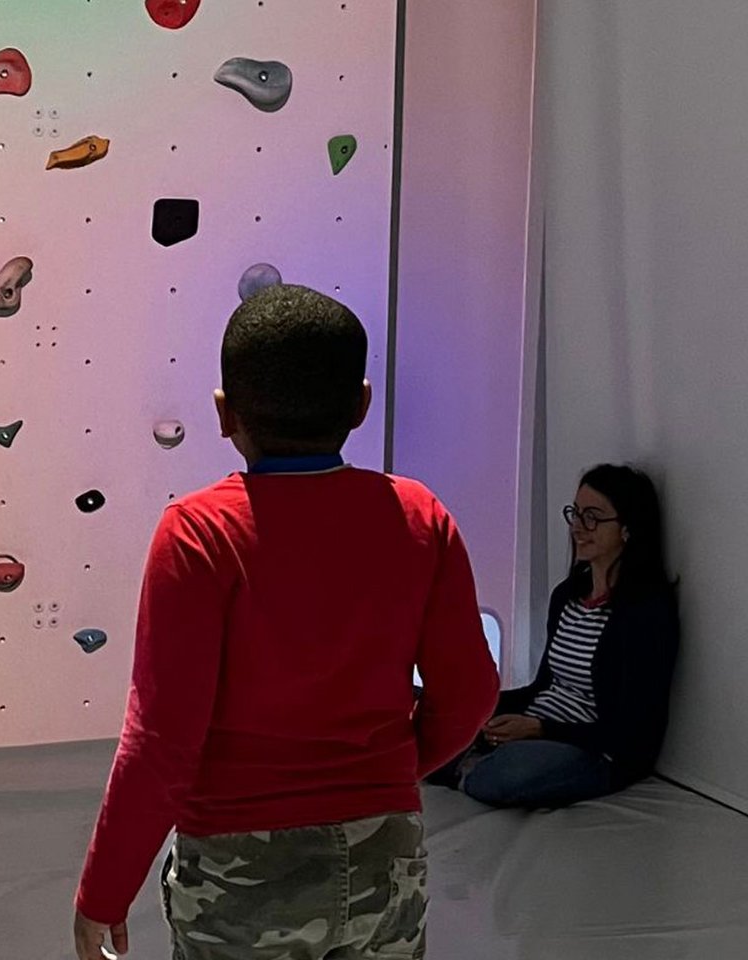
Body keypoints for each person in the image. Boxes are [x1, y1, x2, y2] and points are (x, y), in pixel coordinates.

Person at [72, 285, 500, 960]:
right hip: (384, 848)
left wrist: (104, 891)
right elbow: (471, 691)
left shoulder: (198, 532)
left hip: (240, 866)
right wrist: (388, 773)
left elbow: (162, 740)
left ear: (223, 413)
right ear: (361, 405)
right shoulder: (419, 517)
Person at [428, 464, 680, 809]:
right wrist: (478, 707)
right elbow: (543, 686)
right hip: (537, 727)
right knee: (435, 719)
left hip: (593, 748)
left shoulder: (645, 613)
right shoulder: (568, 595)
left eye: (592, 518)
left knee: (508, 775)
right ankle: (466, 758)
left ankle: (468, 768)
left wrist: (539, 728)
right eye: (575, 514)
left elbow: (629, 730)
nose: (578, 527)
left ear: (627, 529)